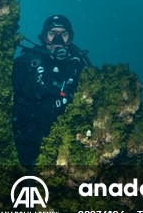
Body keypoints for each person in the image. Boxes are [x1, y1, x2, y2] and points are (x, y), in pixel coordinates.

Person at [12, 15, 93, 167]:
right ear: (43, 37)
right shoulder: (27, 62)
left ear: (70, 38)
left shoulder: (78, 66)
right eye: (52, 34)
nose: (58, 40)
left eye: (63, 34)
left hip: (65, 143)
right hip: (26, 140)